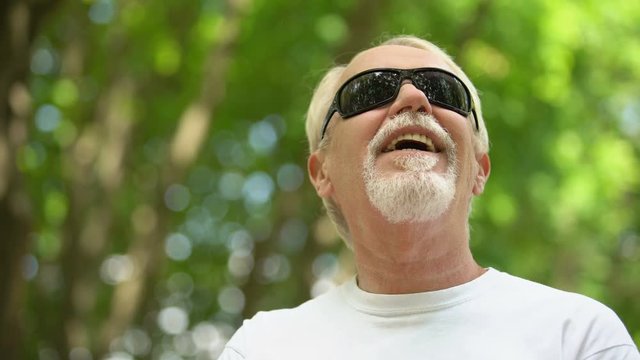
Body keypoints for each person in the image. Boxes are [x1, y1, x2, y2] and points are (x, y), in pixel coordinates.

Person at [218, 35, 639, 359]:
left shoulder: (580, 338)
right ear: (321, 172)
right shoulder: (263, 348)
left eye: (444, 91)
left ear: (480, 169)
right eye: (370, 90)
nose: (414, 98)